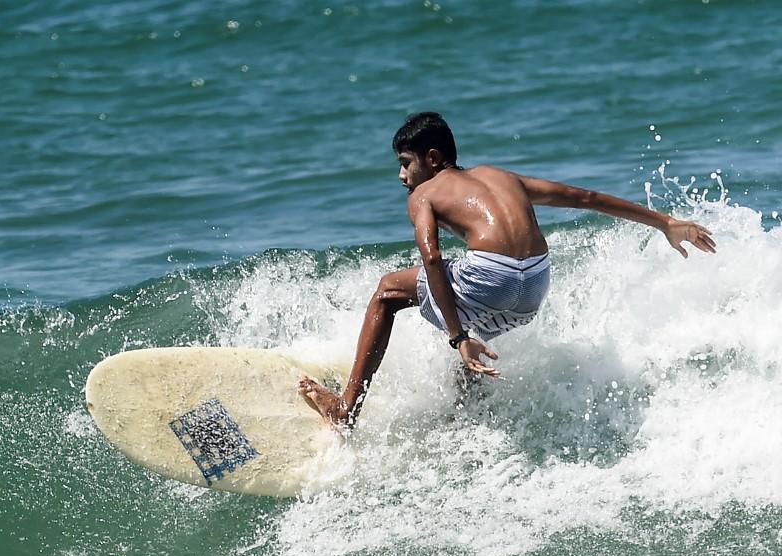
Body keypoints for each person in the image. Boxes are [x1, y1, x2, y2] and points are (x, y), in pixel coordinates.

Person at [298, 112, 717, 428]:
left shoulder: (424, 194)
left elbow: (431, 258)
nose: (401, 175)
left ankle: (345, 410)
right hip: (534, 283)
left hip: (492, 277)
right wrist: (663, 221)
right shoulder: (501, 177)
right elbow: (583, 196)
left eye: (406, 163)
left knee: (388, 291)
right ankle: (468, 417)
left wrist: (456, 335)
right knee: (471, 332)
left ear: (431, 158)